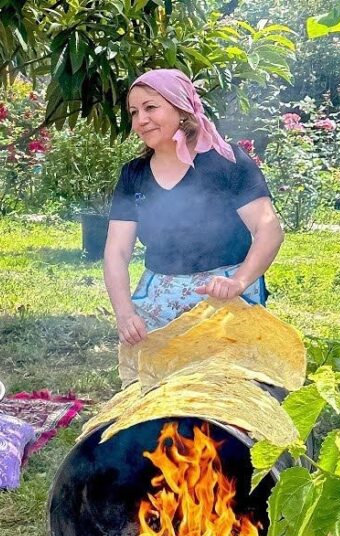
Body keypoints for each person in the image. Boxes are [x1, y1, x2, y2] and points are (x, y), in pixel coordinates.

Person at [105, 68, 284, 349]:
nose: (141, 120)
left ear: (182, 108)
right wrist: (125, 313)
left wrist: (238, 282)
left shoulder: (227, 161)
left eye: (151, 107)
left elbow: (268, 230)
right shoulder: (133, 174)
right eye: (134, 112)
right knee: (156, 389)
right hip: (158, 302)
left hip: (226, 300)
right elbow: (117, 250)